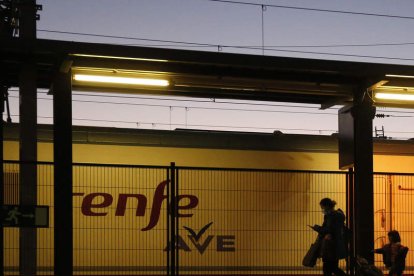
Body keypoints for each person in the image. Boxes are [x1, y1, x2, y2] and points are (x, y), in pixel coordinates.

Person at [311, 198, 348, 276]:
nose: (322, 209)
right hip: (336, 246)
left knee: (328, 269)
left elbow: (328, 230)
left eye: (322, 207)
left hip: (330, 247)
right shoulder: (338, 215)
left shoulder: (331, 216)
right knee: (333, 267)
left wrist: (317, 228)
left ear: (327, 206)